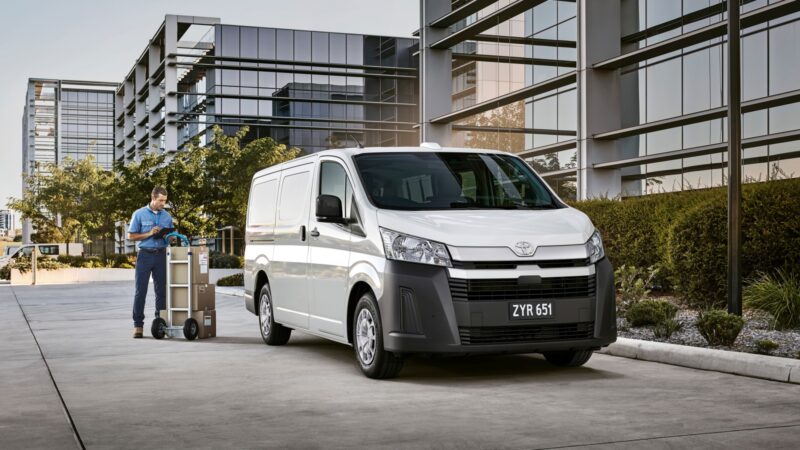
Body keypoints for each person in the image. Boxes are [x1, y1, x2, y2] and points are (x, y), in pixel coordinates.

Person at [127, 186, 174, 338]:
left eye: (165, 201)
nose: (163, 204)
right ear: (153, 198)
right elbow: (131, 236)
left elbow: (172, 235)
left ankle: (160, 324)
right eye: (160, 200)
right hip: (145, 256)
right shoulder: (139, 214)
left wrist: (170, 237)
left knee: (161, 292)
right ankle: (138, 326)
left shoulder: (167, 216)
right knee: (140, 291)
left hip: (161, 255)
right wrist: (149, 233)